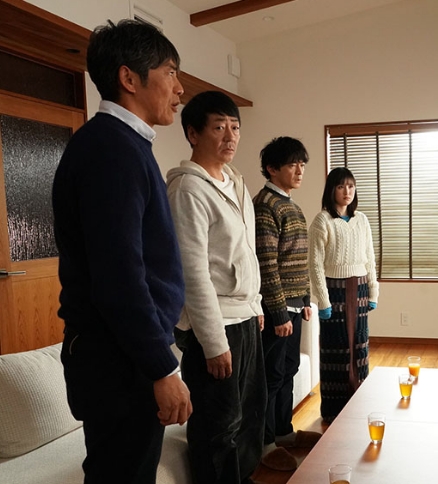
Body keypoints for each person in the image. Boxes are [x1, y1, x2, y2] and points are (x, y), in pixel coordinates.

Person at [52, 20, 191, 484]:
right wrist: (161, 366)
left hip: (123, 354)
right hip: (118, 361)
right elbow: (119, 277)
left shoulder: (123, 144)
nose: (179, 87)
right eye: (170, 72)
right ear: (129, 78)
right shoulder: (111, 149)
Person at [166, 91, 267, 484]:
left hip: (245, 316)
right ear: (193, 133)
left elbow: (246, 252)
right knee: (218, 425)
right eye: (219, 127)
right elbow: (193, 272)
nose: (230, 136)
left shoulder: (236, 181)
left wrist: (256, 305)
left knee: (250, 415)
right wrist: (213, 343)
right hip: (217, 325)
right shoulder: (187, 189)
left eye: (235, 127)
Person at [253, 136, 321, 471]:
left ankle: (284, 431)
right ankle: (265, 444)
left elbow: (298, 259)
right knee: (272, 375)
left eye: (302, 164)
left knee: (289, 368)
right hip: (275, 309)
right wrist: (279, 312)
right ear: (272, 168)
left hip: (295, 306)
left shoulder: (291, 204)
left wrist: (305, 299)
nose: (300, 170)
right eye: (293, 164)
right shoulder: (265, 204)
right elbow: (267, 263)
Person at [308, 167, 379, 423]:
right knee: (335, 349)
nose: (347, 191)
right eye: (341, 186)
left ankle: (358, 404)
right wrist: (323, 300)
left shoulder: (362, 220)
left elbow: (369, 257)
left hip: (359, 288)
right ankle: (333, 410)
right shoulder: (322, 221)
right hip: (334, 291)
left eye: (351, 186)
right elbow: (315, 264)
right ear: (331, 190)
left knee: (359, 347)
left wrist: (373, 290)